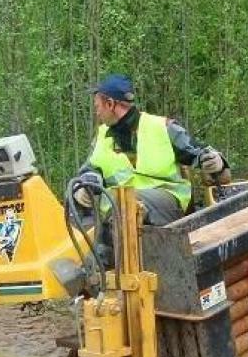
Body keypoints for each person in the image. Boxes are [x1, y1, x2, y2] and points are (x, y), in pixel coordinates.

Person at [70, 74, 230, 266]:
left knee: (127, 202)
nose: (96, 113)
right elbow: (90, 169)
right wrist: (84, 186)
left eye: (98, 107)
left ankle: (98, 270)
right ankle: (94, 275)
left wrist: (216, 164)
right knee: (86, 202)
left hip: (166, 205)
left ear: (111, 104)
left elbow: (204, 158)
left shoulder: (163, 128)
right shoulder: (102, 136)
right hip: (119, 217)